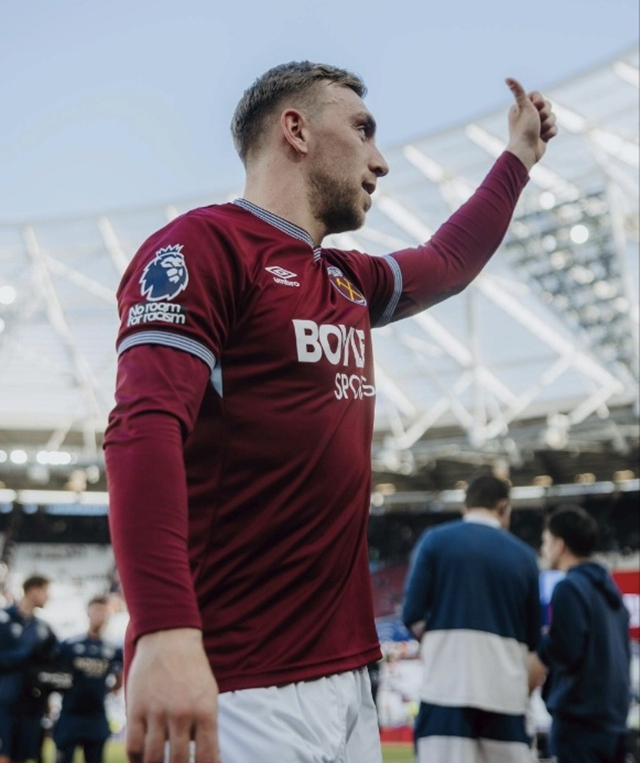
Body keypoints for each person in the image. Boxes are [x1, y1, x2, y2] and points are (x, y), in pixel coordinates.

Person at [104, 60, 557, 763]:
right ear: (297, 130)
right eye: (363, 130)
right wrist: (165, 629)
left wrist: (518, 157)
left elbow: (447, 261)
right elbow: (143, 430)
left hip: (349, 681)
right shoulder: (202, 247)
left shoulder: (343, 279)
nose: (381, 161)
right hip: (237, 681)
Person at [402, 475, 542, 762]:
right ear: (503, 507)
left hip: (445, 694)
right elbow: (532, 640)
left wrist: (442, 644)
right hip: (505, 699)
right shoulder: (525, 557)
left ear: (466, 506)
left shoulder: (435, 542)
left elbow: (411, 614)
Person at [535, 505, 631, 763]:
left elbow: (566, 651)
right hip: (613, 724)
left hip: (579, 724)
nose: (543, 549)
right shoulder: (610, 592)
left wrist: (542, 641)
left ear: (560, 545)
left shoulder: (569, 588)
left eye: (545, 541)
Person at [53, 595, 123, 763]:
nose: (100, 615)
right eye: (97, 610)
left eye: (104, 612)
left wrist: (105, 691)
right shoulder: (70, 645)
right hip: (70, 713)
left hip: (96, 715)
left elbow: (119, 678)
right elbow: (55, 675)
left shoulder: (112, 649)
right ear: (88, 612)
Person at [0, 574, 57, 763]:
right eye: (46, 592)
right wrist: (26, 652)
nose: (48, 597)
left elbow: (52, 662)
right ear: (34, 591)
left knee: (24, 756)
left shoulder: (44, 628)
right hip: (5, 701)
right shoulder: (3, 619)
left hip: (32, 703)